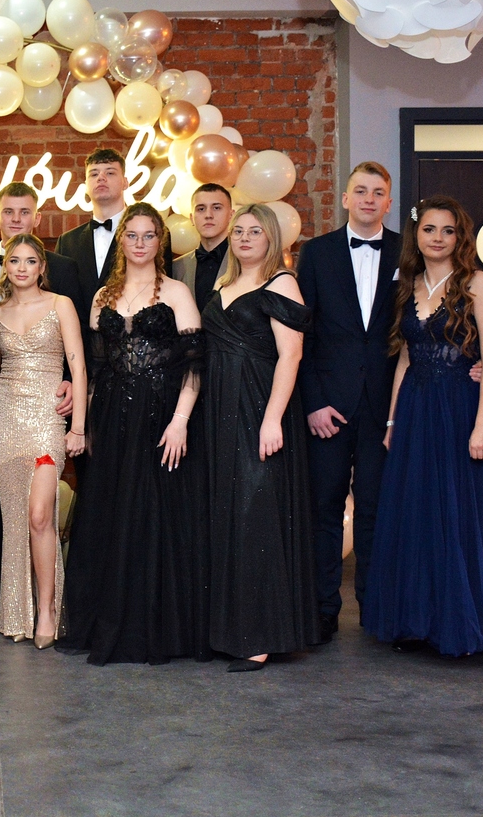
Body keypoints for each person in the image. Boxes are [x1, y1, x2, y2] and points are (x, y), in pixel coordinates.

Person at [364, 196, 483, 660]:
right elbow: (405, 359)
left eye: (448, 231)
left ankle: (469, 625)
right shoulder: (408, 284)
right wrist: (392, 420)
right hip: (415, 412)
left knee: (464, 517)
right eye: (430, 229)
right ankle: (420, 622)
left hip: (461, 410)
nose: (438, 238)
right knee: (419, 516)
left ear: (459, 237)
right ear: (417, 234)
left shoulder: (477, 283)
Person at [58, 204, 210, 666]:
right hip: (111, 416)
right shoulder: (102, 295)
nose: (140, 243)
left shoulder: (177, 292)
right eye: (132, 235)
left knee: (154, 516)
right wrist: (84, 425)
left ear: (160, 242)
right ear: (121, 241)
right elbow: (93, 367)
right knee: (110, 514)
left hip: (162, 415)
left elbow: (195, 365)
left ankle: (154, 628)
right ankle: (108, 622)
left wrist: (180, 421)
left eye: (149, 235)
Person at [203, 204, 319, 672]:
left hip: (257, 406)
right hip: (218, 410)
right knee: (229, 515)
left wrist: (272, 419)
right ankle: (232, 629)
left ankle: (261, 636)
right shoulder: (223, 285)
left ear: (271, 238)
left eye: (255, 231)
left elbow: (291, 356)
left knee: (256, 513)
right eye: (239, 231)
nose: (245, 237)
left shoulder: (281, 283)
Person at [0, 181, 81, 620]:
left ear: (41, 266)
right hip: (5, 420)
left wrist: (78, 422)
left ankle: (48, 610)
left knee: (39, 516)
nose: (22, 267)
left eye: (31, 260)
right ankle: (15, 607)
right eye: (14, 260)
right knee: (11, 520)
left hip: (48, 417)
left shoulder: (62, 298)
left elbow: (79, 362)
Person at [295, 161, 402, 643]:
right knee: (324, 509)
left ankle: (377, 611)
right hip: (328, 409)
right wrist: (313, 403)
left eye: (377, 192)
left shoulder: (407, 251)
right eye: (360, 191)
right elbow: (303, 334)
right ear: (345, 198)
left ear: (388, 202)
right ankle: (322, 611)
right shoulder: (316, 253)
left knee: (377, 511)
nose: (368, 199)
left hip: (385, 409)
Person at [57, 149, 171, 334]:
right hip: (77, 342)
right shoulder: (67, 241)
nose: (101, 178)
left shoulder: (153, 235)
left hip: (135, 342)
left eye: (110, 173)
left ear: (125, 182)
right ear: (85, 185)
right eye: (94, 174)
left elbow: (163, 291)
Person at [171, 183, 233, 312]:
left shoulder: (246, 262)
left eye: (216, 208)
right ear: (192, 218)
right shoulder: (176, 267)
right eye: (201, 209)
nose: (208, 215)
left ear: (231, 215)